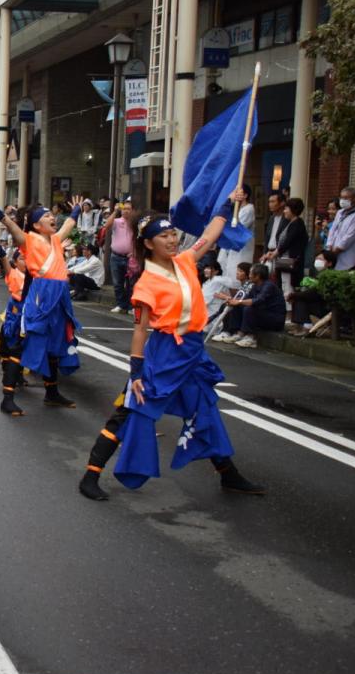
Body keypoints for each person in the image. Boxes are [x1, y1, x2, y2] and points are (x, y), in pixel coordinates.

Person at [78, 194, 265, 501]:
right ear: (148, 244)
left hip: (192, 352)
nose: (172, 240)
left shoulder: (186, 261)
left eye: (173, 234)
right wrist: (136, 372)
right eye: (164, 236)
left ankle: (228, 475)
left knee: (204, 408)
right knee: (132, 412)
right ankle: (90, 475)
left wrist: (226, 204)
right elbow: (140, 331)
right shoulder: (146, 282)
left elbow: (209, 236)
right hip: (163, 353)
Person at [0, 190, 82, 408]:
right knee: (23, 343)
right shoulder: (28, 240)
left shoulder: (56, 240)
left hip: (60, 297)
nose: (52, 217)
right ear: (36, 225)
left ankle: (52, 393)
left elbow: (69, 224)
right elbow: (9, 223)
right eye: (47, 216)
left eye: (52, 215)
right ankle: (8, 398)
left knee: (54, 343)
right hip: (41, 296)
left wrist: (77, 210)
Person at [0, 242, 28, 416]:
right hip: (15, 317)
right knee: (11, 349)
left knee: (24, 349)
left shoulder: (34, 276)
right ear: (15, 262)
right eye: (22, 258)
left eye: (27, 258)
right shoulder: (13, 273)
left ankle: (18, 376)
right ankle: (9, 381)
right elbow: (4, 259)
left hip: (29, 317)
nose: (26, 261)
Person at [214, 263, 286, 348]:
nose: (249, 275)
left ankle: (250, 338)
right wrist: (232, 301)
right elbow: (245, 299)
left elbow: (258, 300)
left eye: (251, 273)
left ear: (257, 276)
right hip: (263, 314)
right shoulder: (255, 286)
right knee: (237, 306)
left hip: (275, 319)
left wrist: (239, 301)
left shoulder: (269, 286)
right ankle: (236, 332)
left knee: (249, 309)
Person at [261, 197, 309, 299]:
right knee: (283, 285)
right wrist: (272, 253)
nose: (284, 211)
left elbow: (287, 242)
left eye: (286, 209)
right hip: (284, 260)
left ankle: (288, 308)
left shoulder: (297, 224)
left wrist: (274, 253)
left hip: (290, 262)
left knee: (288, 288)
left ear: (293, 210)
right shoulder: (291, 223)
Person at [102, 198, 136, 313]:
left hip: (131, 258)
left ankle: (131, 306)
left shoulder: (135, 223)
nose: (126, 211)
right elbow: (107, 225)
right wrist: (115, 211)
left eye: (128, 209)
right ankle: (121, 305)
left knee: (131, 283)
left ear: (132, 211)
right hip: (116, 256)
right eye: (124, 209)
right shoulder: (116, 221)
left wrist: (135, 252)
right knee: (117, 283)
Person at [217, 184, 254, 277]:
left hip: (242, 249)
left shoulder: (249, 209)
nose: (236, 194)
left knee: (237, 275)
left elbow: (237, 229)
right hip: (230, 248)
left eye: (239, 192)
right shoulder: (235, 208)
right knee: (226, 270)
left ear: (245, 195)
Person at [325, 186, 355, 270]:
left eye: (346, 198)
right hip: (335, 255)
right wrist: (329, 246)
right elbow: (333, 229)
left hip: (349, 258)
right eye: (341, 197)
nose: (343, 200)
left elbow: (350, 236)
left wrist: (336, 250)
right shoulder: (340, 212)